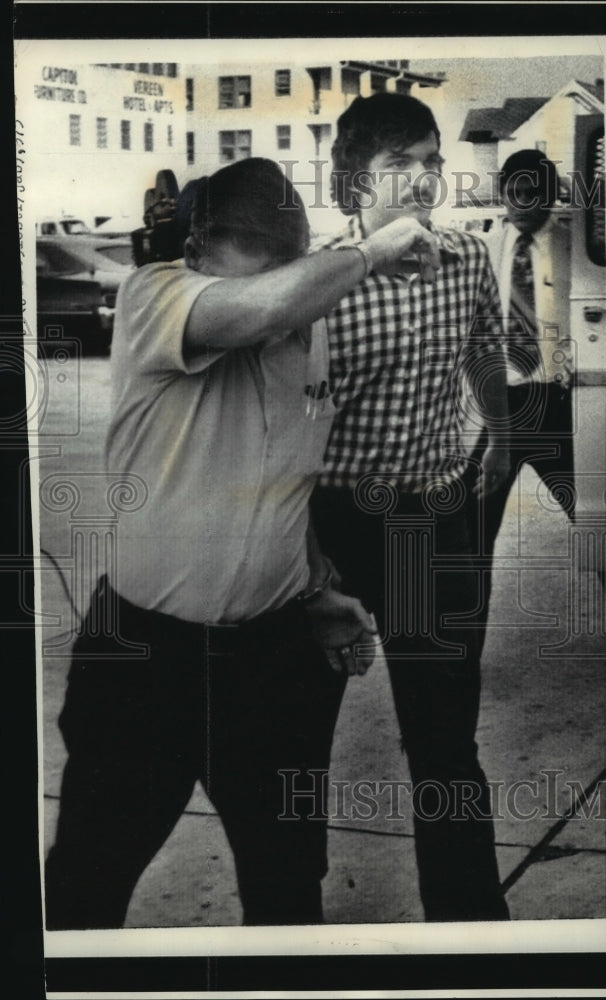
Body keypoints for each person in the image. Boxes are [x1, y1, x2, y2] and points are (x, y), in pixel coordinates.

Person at [44, 157, 443, 929]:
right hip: (145, 662)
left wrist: (312, 584)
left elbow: (280, 481)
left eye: (297, 267)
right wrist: (379, 245)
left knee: (288, 885)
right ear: (199, 250)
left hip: (270, 659)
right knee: (87, 887)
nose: (295, 297)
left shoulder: (300, 326)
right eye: (271, 268)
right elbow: (260, 309)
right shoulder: (154, 295)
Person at [310, 93, 511, 921]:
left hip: (433, 521)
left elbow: (488, 353)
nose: (425, 179)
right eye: (401, 166)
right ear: (353, 182)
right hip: (327, 529)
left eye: (431, 159)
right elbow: (280, 424)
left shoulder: (467, 257)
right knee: (295, 741)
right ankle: (288, 929)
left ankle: (471, 932)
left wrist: (499, 435)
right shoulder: (317, 280)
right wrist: (303, 554)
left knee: (444, 745)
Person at [465, 150, 575, 657]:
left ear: (554, 192)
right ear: (503, 193)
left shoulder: (577, 242)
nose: (527, 203)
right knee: (469, 531)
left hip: (563, 404)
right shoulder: (486, 245)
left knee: (600, 522)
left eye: (537, 192)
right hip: (503, 407)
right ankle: (462, 643)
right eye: (517, 192)